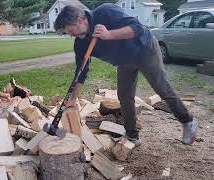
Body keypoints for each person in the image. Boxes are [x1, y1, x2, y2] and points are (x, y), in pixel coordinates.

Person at [54, 4, 198, 145]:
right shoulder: (80, 43)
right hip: (124, 61)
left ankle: (188, 121)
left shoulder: (105, 12)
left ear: (80, 20)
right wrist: (72, 99)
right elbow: (81, 72)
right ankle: (132, 135)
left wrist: (109, 34)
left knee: (161, 88)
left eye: (70, 30)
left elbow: (138, 28)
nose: (71, 35)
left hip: (144, 50)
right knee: (124, 95)